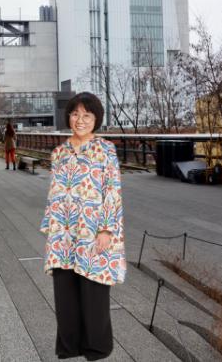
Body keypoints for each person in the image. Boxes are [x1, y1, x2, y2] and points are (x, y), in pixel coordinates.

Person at [40, 92, 126, 360]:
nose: (80, 120)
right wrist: (50, 227)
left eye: (86, 115)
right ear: (68, 117)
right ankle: (68, 346)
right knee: (64, 294)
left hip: (93, 230)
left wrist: (106, 229)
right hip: (63, 230)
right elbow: (53, 192)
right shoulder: (59, 152)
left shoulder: (106, 150)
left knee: (93, 291)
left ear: (95, 119)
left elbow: (112, 191)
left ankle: (97, 347)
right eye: (75, 114)